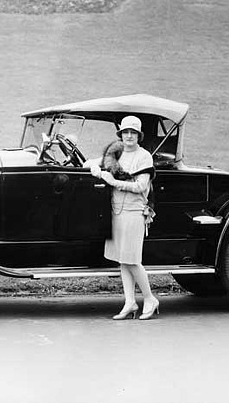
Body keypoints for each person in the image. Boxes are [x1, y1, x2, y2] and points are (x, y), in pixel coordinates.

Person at [90, 115, 159, 320]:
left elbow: (141, 186)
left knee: (132, 260)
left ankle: (149, 298)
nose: (129, 136)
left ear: (139, 136)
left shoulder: (143, 156)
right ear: (120, 135)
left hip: (133, 212)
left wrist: (113, 181)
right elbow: (94, 162)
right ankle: (130, 302)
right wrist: (96, 169)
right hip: (117, 212)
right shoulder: (116, 154)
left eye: (133, 133)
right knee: (123, 260)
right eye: (125, 132)